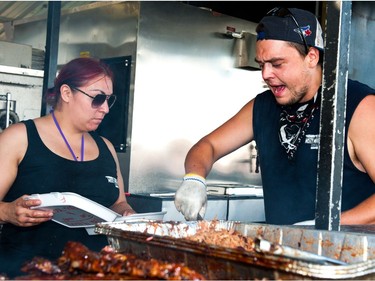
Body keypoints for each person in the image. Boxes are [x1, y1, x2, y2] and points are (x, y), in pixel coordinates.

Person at [174, 7, 375, 225]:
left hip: (347, 254)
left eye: (277, 64)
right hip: (283, 254)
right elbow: (208, 146)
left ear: (311, 57)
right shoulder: (262, 107)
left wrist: (324, 226)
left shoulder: (357, 107)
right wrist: (194, 179)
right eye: (262, 64)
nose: (266, 74)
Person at [0, 57, 135, 278]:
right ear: (66, 93)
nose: (105, 109)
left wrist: (126, 214)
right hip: (27, 272)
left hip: (92, 273)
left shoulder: (106, 148)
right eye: (97, 98)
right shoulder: (20, 138)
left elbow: (118, 202)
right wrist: (6, 212)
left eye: (108, 100)